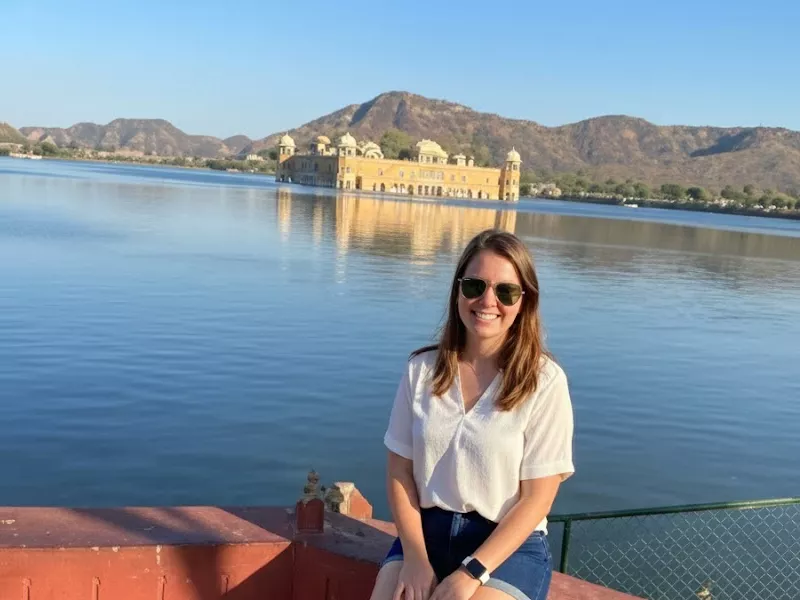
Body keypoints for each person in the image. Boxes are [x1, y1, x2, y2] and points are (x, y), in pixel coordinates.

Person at [369, 229, 575, 600]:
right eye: (475, 286)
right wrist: (415, 558)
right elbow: (399, 472)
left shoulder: (544, 382)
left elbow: (537, 499)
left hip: (506, 545)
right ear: (458, 291)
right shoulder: (422, 370)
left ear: (524, 302)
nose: (487, 301)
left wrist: (471, 573)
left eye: (506, 291)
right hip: (425, 533)